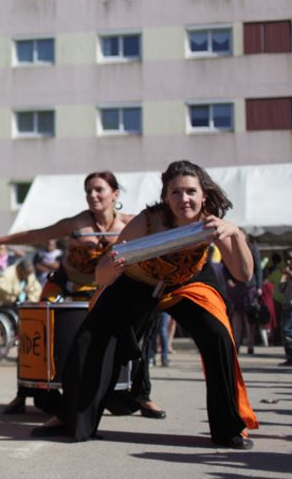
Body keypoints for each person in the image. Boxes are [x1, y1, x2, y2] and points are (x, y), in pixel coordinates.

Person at [32, 160, 257, 450]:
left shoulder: (212, 223)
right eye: (175, 192)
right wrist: (112, 266)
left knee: (218, 336)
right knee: (91, 339)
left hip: (187, 283)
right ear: (165, 196)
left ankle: (229, 428)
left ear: (203, 194)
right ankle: (70, 417)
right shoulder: (147, 221)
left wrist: (235, 233)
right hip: (138, 281)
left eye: (190, 192)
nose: (183, 199)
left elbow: (244, 274)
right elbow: (103, 272)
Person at [0, 172, 165, 418]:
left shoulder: (132, 223)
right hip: (67, 283)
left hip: (106, 287)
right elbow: (36, 235)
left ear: (115, 194)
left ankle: (141, 395)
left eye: (99, 189)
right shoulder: (76, 224)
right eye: (88, 191)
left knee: (136, 330)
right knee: (35, 328)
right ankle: (24, 392)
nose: (92, 195)